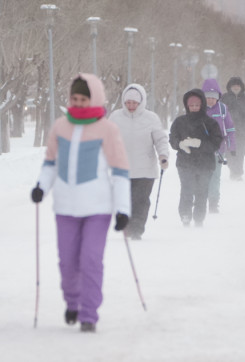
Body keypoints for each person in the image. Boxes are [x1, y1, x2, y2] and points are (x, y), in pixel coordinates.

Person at [30, 73, 130, 333]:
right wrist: (41, 186)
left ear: (94, 98)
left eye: (83, 98)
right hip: (65, 207)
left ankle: (89, 314)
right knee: (67, 261)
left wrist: (123, 210)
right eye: (74, 98)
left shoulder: (107, 129)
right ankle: (72, 302)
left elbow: (120, 171)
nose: (79, 103)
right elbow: (50, 163)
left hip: (98, 208)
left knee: (91, 260)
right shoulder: (61, 126)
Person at [109, 83, 169, 240]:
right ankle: (127, 225)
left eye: (134, 103)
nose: (131, 106)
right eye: (128, 102)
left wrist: (163, 156)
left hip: (145, 170)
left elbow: (160, 139)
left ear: (141, 102)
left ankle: (136, 229)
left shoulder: (151, 118)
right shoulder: (115, 117)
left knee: (141, 200)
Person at [169, 89, 223, 226]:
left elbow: (216, 142)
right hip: (185, 163)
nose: (194, 108)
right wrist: (180, 144)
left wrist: (200, 144)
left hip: (205, 164)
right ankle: (185, 215)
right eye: (191, 106)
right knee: (186, 190)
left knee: (202, 191)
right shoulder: (179, 122)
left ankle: (199, 218)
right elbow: (172, 138)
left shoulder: (210, 123)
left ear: (202, 105)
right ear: (187, 106)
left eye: (196, 105)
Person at [201, 78, 235, 214]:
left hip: (218, 150)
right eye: (207, 97)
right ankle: (201, 200)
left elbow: (230, 128)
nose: (210, 100)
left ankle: (214, 202)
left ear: (218, 97)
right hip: (201, 151)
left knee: (215, 177)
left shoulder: (222, 109)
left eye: (213, 97)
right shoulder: (198, 109)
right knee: (202, 176)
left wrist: (231, 147)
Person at [220, 76, 245, 181]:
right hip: (228, 131)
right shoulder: (224, 97)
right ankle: (235, 171)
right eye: (233, 85)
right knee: (230, 153)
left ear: (241, 86)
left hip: (243, 131)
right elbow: (220, 113)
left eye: (238, 85)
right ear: (230, 87)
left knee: (241, 152)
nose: (236, 87)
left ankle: (237, 172)